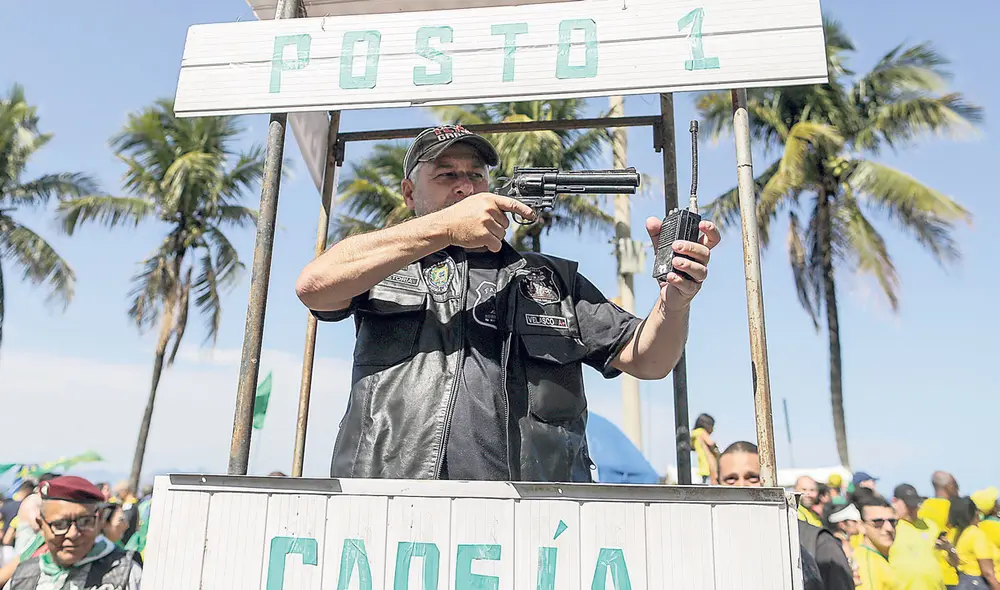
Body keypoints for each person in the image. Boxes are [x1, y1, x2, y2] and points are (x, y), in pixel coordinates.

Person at [295, 124, 720, 482]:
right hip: (391, 501)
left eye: (476, 176)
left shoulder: (552, 279)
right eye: (446, 176)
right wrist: (444, 227)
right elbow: (314, 285)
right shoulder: (382, 264)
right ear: (409, 193)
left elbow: (649, 361)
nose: (465, 186)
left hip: (531, 520)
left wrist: (675, 302)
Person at [718, 441, 853, 590]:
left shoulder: (818, 544)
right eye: (731, 479)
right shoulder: (710, 544)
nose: (741, 487)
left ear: (771, 480)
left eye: (753, 478)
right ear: (716, 482)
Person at [2, 476, 141, 590]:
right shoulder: (25, 576)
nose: (73, 534)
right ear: (41, 526)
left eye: (85, 522)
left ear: (98, 523)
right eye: (59, 525)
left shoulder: (123, 573)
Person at [889, 483, 954, 590]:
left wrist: (949, 548)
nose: (913, 509)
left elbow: (954, 562)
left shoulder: (930, 526)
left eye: (915, 505)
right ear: (894, 502)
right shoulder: (890, 527)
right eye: (908, 506)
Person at [946, 497, 1000, 590]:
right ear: (976, 513)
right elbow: (988, 573)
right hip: (979, 584)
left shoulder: (953, 534)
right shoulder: (975, 534)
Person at [856, 495, 899, 590]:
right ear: (861, 526)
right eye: (878, 522)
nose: (889, 528)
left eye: (892, 521)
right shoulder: (866, 563)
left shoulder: (881, 557)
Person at [827, 502, 862, 586]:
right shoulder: (840, 544)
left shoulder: (842, 543)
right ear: (842, 524)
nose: (859, 523)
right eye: (854, 521)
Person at [690, 413, 719, 484]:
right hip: (708, 467)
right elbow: (711, 443)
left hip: (701, 467)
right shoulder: (701, 432)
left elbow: (692, 447)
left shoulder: (695, 434)